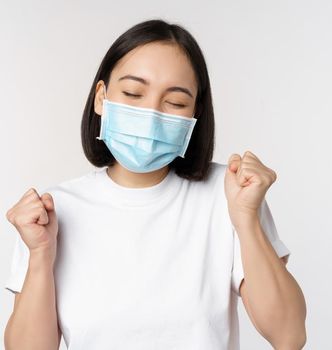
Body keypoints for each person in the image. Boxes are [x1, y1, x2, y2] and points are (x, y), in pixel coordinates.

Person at [3, 19, 307, 350]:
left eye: (175, 102)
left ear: (194, 114)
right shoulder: (53, 211)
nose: (150, 113)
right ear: (101, 98)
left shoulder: (231, 193)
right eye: (133, 93)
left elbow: (289, 336)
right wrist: (40, 254)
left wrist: (246, 219)